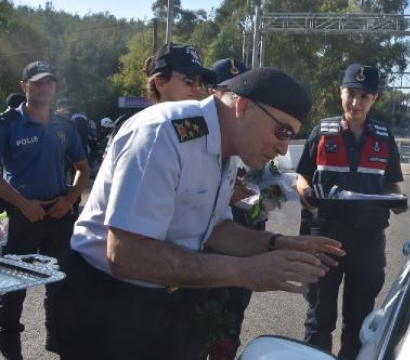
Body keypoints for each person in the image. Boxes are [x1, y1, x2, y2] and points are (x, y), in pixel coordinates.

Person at [52, 67, 345, 360]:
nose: (283, 148)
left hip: (160, 299)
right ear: (242, 106)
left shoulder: (226, 147)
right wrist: (244, 271)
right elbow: (127, 254)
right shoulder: (165, 133)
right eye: (283, 131)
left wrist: (279, 243)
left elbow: (216, 229)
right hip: (105, 304)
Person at [296, 63, 406, 360]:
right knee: (319, 320)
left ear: (375, 99)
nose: (356, 102)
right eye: (351, 93)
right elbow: (300, 175)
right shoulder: (322, 131)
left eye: (364, 96)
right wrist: (304, 191)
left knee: (359, 324)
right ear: (340, 92)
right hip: (325, 238)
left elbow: (393, 185)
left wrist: (398, 202)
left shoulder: (385, 137)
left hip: (368, 241)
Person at [0, 61, 90, 359]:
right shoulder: (8, 124)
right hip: (24, 217)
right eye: (37, 82)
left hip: (58, 215)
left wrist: (69, 200)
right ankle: (12, 353)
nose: (44, 87)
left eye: (49, 82)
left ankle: (58, 343)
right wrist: (22, 204)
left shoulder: (64, 126)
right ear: (24, 85)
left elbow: (82, 168)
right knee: (14, 292)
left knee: (62, 287)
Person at [204, 57, 255, 360]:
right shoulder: (194, 137)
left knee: (233, 317)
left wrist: (268, 196)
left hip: (246, 232)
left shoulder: (257, 133)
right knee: (200, 318)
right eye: (232, 92)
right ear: (212, 92)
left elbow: (273, 182)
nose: (241, 102)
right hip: (210, 244)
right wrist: (225, 195)